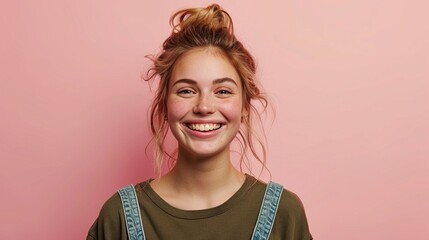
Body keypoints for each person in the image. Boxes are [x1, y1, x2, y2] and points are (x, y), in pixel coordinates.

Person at [87, 4, 312, 240]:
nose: (204, 107)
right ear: (164, 105)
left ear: (244, 107)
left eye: (223, 91)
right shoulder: (119, 217)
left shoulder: (285, 215)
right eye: (186, 91)